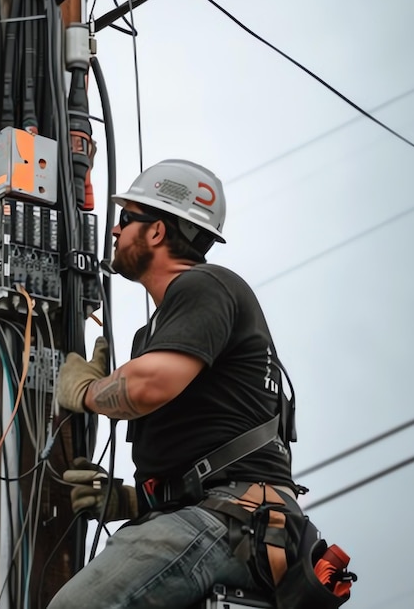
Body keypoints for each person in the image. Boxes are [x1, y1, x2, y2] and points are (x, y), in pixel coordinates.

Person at [48, 159, 304, 609]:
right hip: (215, 520)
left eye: (126, 218)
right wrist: (131, 504)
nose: (114, 230)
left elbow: (148, 387)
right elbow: (200, 442)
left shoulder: (206, 285)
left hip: (232, 519)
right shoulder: (155, 333)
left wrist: (85, 392)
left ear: (157, 232)